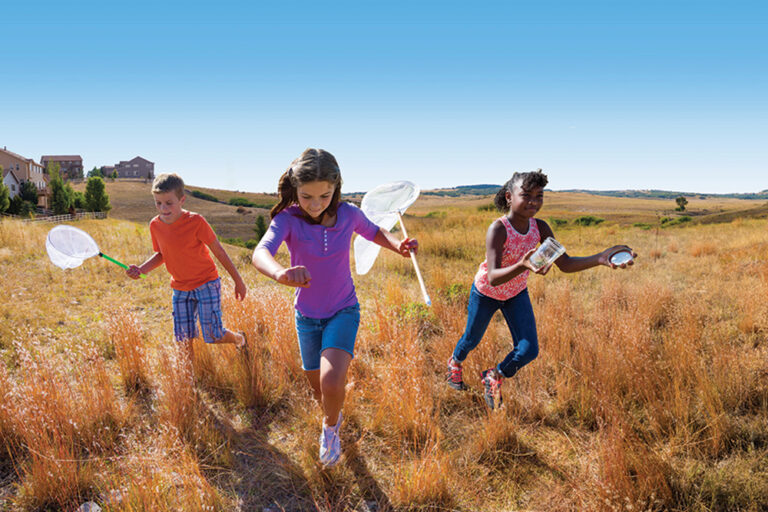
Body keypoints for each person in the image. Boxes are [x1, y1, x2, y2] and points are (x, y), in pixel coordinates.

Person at [252, 148, 417, 467]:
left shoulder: (349, 215)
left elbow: (374, 232)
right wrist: (280, 272)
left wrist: (398, 246)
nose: (315, 205)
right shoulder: (288, 219)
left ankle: (330, 429)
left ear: (336, 188)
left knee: (330, 382)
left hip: (343, 310)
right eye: (307, 196)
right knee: (318, 388)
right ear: (294, 189)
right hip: (306, 317)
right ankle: (333, 409)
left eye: (324, 196)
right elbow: (261, 251)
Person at [446, 170, 636, 410]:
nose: (533, 202)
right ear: (509, 196)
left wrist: (600, 258)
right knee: (471, 338)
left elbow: (565, 264)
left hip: (516, 294)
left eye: (539, 196)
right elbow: (493, 277)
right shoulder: (498, 229)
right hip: (486, 293)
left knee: (528, 350)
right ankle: (455, 363)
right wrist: (522, 265)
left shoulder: (541, 228)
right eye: (526, 195)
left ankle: (494, 376)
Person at [126, 173, 247, 353]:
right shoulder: (155, 225)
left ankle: (240, 339)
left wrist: (238, 281)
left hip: (206, 283)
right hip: (180, 287)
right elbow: (161, 254)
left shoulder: (196, 221)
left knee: (213, 335)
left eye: (169, 203)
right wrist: (141, 269)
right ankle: (189, 380)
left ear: (182, 200)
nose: (163, 208)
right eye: (158, 203)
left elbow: (219, 252)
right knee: (183, 338)